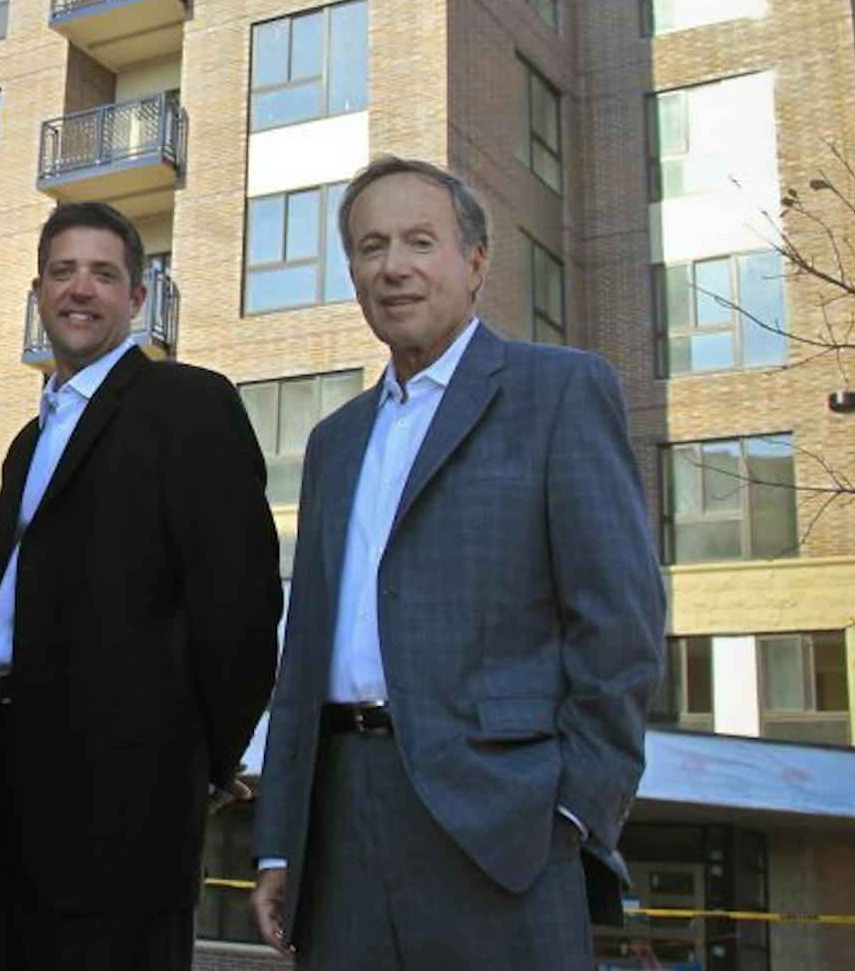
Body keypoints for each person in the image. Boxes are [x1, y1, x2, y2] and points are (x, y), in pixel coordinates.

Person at [249, 156, 665, 969]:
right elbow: (303, 657)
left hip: (500, 828)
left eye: (419, 241)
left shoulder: (560, 393)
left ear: (475, 263)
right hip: (339, 830)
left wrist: (575, 811)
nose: (393, 266)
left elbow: (620, 622)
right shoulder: (335, 442)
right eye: (371, 247)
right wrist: (279, 841)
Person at [0, 201, 282, 970]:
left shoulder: (188, 405)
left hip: (124, 818)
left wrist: (198, 759)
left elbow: (240, 610)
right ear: (37, 293)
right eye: (63, 272)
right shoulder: (26, 443)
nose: (81, 289)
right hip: (8, 807)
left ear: (137, 299)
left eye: (105, 274)